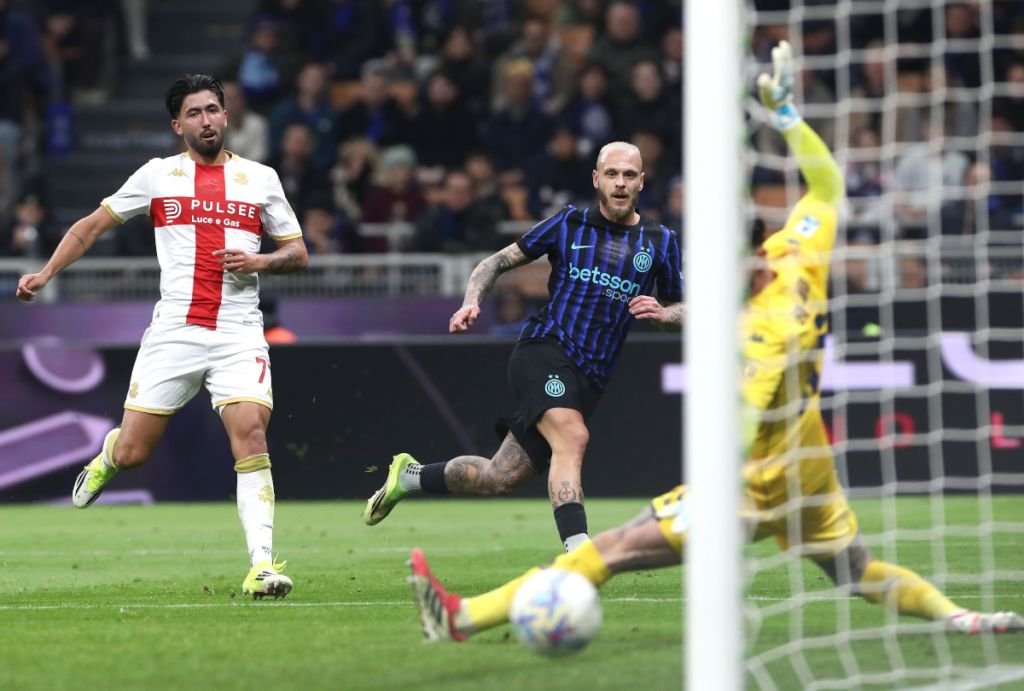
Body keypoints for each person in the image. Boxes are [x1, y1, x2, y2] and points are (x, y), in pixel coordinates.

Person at [406, 41, 1024, 643]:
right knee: (859, 570)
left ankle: (462, 617)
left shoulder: (755, 330)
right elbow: (827, 187)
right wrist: (787, 117)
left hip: (750, 486)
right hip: (809, 471)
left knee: (605, 553)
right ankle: (959, 618)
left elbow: (744, 421)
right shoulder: (800, 254)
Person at [15, 74, 309, 599]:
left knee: (251, 435)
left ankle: (262, 566)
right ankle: (109, 455)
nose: (206, 120)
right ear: (178, 126)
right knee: (134, 453)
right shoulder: (157, 176)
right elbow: (90, 226)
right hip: (175, 332)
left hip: (239, 330)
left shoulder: (261, 178)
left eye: (213, 109)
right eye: (194, 113)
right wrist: (45, 273)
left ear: (226, 116)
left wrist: (260, 261)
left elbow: (297, 252)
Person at [363, 140, 684, 552]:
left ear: (642, 181)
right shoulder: (569, 223)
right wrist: (471, 301)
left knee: (500, 477)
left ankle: (410, 477)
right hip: (544, 349)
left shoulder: (660, 241)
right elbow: (494, 262)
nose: (619, 183)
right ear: (596, 179)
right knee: (572, 436)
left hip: (591, 377)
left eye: (628, 175)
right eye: (611, 174)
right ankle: (579, 551)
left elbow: (683, 310)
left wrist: (664, 315)